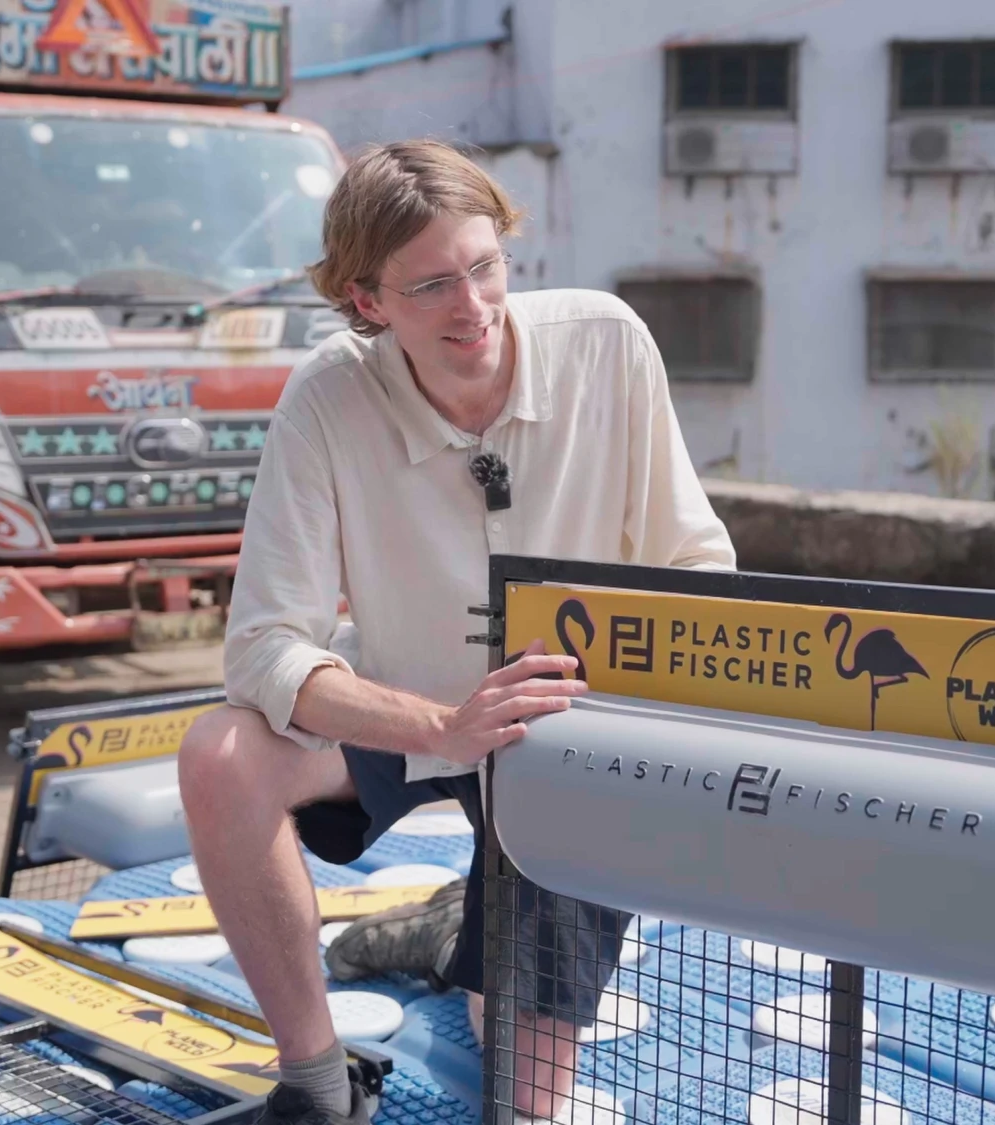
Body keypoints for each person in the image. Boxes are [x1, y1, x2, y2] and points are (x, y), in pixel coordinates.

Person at [178, 139, 736, 1124]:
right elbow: (262, 649)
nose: (472, 306)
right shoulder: (327, 395)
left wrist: (604, 721)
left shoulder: (607, 342)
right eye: (432, 284)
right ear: (367, 300)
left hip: (564, 746)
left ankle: (449, 939)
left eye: (484, 267)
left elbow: (696, 567)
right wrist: (441, 727)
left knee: (519, 1089)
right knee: (219, 754)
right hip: (415, 722)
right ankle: (315, 1083)